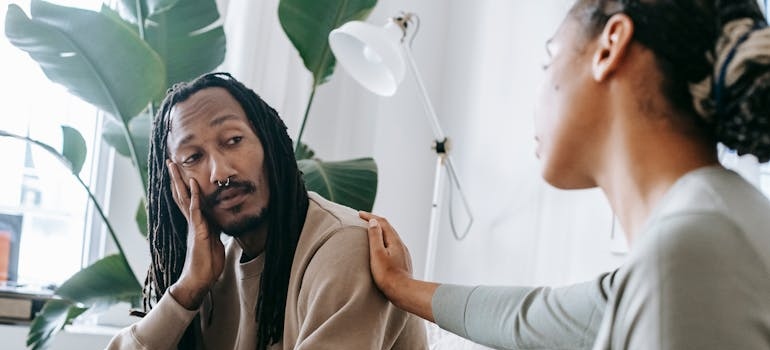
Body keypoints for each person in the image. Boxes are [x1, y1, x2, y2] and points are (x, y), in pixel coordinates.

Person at [361, 0, 770, 349]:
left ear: (610, 47)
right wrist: (399, 285)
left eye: (548, 59)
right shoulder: (710, 224)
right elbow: (528, 318)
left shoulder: (690, 249)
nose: (537, 93)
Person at [107, 72, 427, 350]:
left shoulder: (345, 247)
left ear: (268, 142)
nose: (220, 172)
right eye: (193, 157)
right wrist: (187, 289)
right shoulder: (209, 271)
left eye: (233, 140)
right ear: (175, 183)